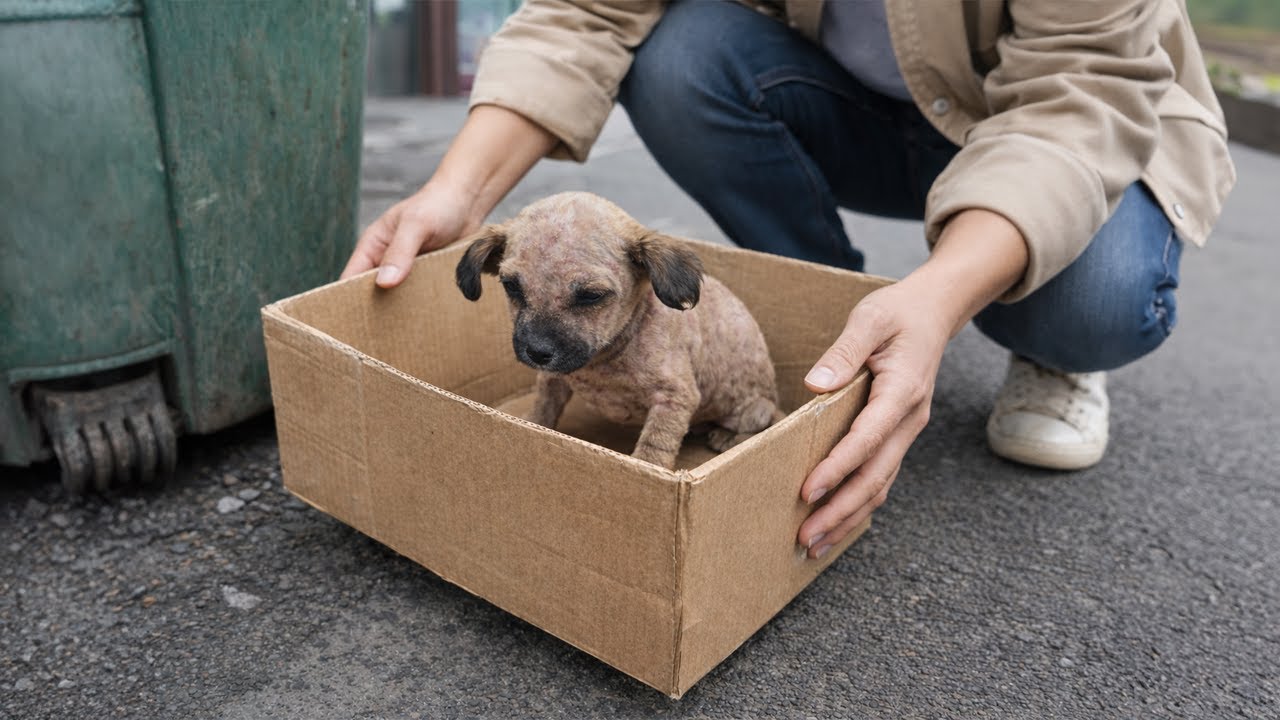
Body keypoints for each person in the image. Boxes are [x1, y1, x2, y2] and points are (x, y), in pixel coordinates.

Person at [343, 0, 1235, 559]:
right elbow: (586, 12)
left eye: (588, 298)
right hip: (852, 103)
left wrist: (941, 296)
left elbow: (1076, 96)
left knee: (1089, 304)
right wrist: (455, 193)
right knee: (682, 53)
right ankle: (838, 319)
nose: (536, 330)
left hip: (1073, 126)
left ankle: (1005, 335)